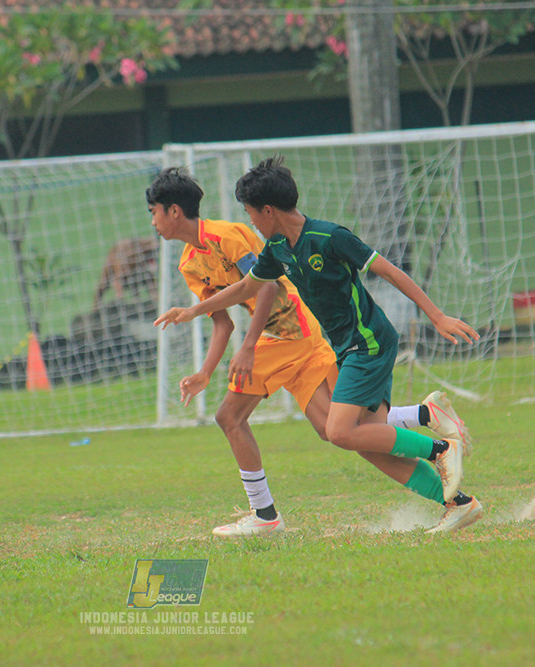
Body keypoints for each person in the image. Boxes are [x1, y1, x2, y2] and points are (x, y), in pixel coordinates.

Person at [147, 167, 475, 535]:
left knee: (296, 426)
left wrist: (436, 315)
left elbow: (386, 271)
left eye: (251, 213)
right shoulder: (263, 251)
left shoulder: (320, 236)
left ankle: (439, 450)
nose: (250, 222)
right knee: (358, 435)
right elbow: (243, 293)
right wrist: (194, 318)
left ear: (267, 211)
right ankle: (455, 497)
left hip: (335, 340)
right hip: (336, 345)